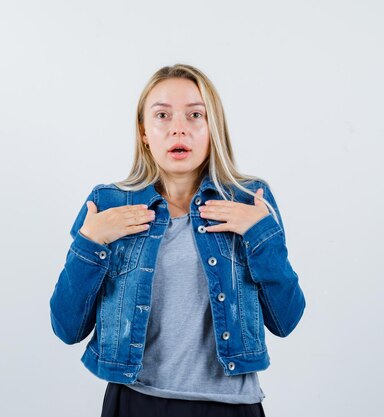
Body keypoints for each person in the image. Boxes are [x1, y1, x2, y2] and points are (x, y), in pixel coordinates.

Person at [49, 63, 306, 417]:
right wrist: (89, 244)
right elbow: (67, 327)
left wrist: (261, 235)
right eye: (163, 116)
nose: (178, 129)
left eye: (195, 115)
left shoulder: (250, 200)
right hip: (136, 402)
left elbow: (286, 320)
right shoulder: (107, 204)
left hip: (232, 408)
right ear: (144, 131)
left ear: (212, 127)